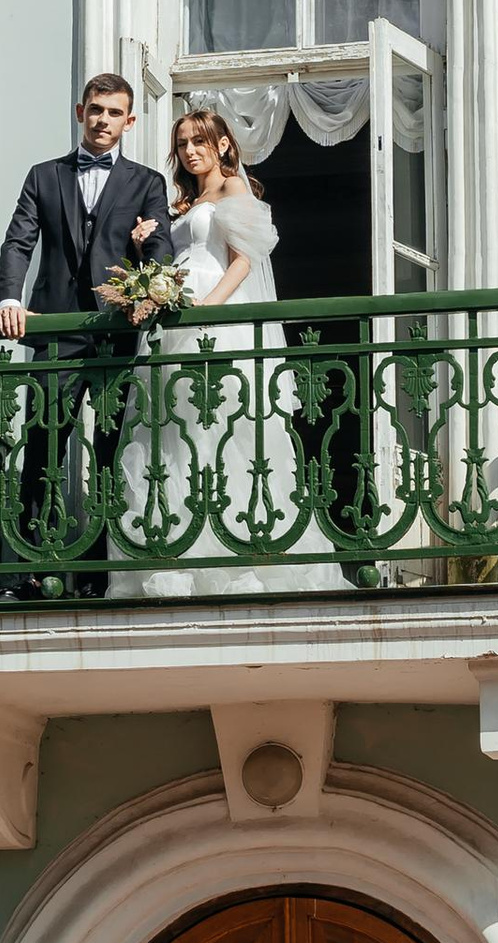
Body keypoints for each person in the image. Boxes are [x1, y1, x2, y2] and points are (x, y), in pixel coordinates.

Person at [110, 105, 340, 599]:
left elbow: (244, 261)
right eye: (182, 144)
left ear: (222, 145)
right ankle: (178, 556)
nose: (189, 151)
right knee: (175, 435)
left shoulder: (234, 188)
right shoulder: (183, 203)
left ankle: (241, 555)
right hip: (177, 319)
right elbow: (175, 258)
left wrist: (208, 307)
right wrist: (146, 244)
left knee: (224, 430)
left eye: (199, 141)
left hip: (215, 315)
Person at [0, 74, 176, 589]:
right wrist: (10, 298)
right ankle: (34, 571)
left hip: (116, 332)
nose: (103, 120)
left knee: (112, 448)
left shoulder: (147, 183)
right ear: (80, 112)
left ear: (129, 121)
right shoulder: (43, 175)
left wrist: (147, 257)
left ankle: (101, 572)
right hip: (56, 330)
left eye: (114, 113)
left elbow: (162, 251)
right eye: (96, 109)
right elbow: (18, 241)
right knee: (43, 443)